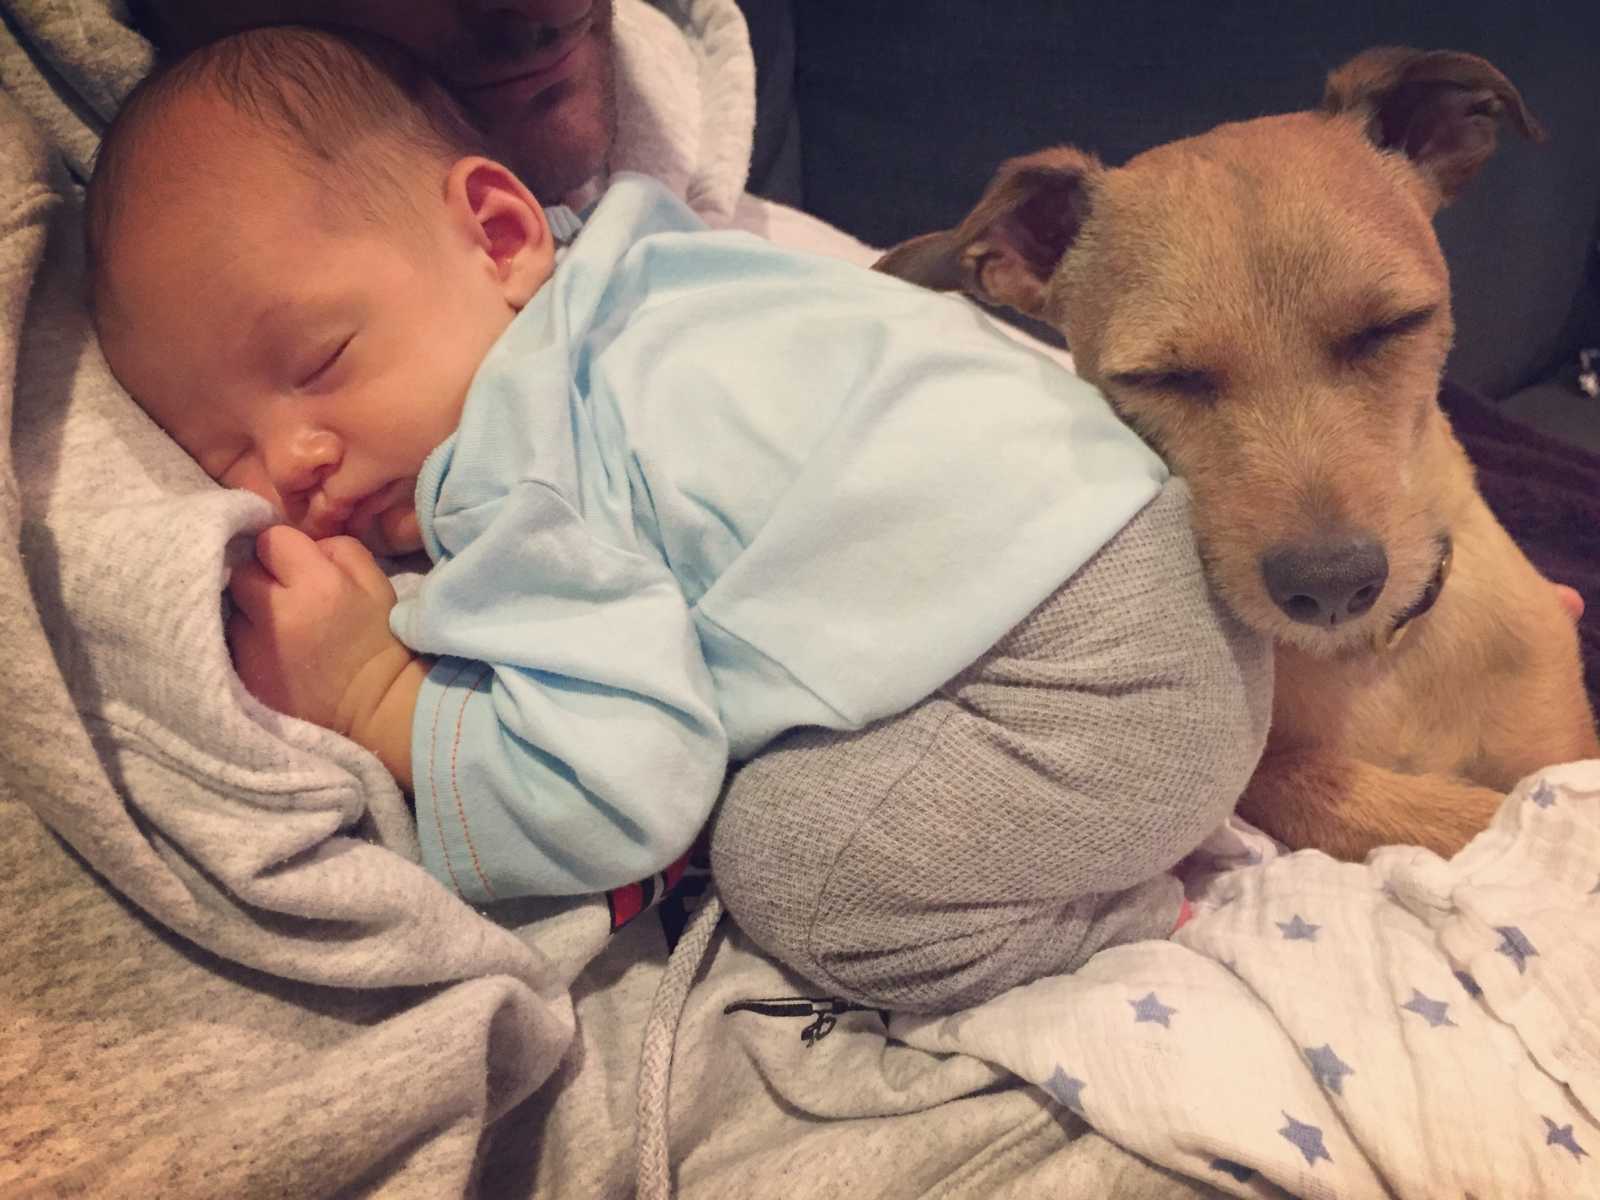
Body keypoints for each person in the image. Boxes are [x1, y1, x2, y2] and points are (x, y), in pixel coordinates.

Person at [86, 24, 1270, 1008]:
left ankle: (1108, 918)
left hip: (1079, 687)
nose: (291, 462)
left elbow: (624, 790)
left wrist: (376, 699)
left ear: (498, 233)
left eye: (322, 357)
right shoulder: (659, 270)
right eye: (220, 453)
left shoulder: (516, 460)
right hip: (1167, 569)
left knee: (794, 870)